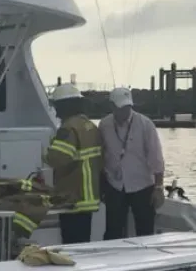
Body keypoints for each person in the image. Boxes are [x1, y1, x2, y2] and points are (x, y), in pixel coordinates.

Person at [99, 87, 166, 240]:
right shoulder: (104, 125)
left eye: (128, 107)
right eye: (121, 107)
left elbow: (156, 156)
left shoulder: (145, 124)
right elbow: (102, 154)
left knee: (145, 230)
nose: (125, 111)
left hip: (142, 185)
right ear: (112, 107)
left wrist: (159, 187)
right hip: (114, 185)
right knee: (113, 231)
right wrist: (101, 185)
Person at [43, 83, 102, 244]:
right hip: (90, 198)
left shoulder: (68, 129)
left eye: (57, 106)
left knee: (71, 244)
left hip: (72, 198)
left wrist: (45, 155)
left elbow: (58, 159)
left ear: (64, 106)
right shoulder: (91, 127)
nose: (56, 111)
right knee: (83, 243)